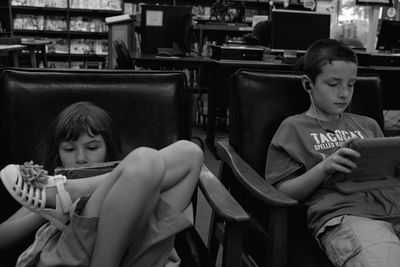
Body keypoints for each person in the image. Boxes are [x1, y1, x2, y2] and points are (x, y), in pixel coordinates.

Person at [0, 101, 203, 267]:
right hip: (75, 255)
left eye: (92, 147)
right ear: (57, 153)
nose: (81, 158)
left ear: (108, 146)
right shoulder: (42, 192)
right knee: (146, 159)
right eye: (69, 149)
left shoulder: (135, 174)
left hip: (136, 254)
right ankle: (68, 197)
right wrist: (41, 211)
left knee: (190, 152)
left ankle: (70, 193)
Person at [265, 39, 400, 267]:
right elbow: (282, 191)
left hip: (392, 203)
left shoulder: (368, 124)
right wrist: (325, 167)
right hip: (348, 213)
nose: (344, 93)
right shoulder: (293, 128)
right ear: (308, 84)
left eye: (351, 84)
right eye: (333, 84)